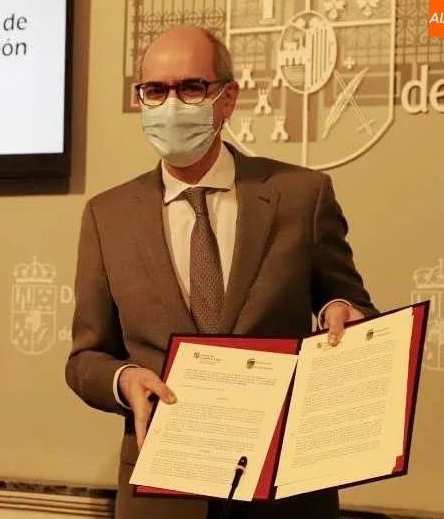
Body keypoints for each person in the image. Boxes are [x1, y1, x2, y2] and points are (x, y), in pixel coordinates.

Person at [64, 27, 377, 519]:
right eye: (154, 90)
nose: (171, 104)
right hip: (162, 487)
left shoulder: (301, 195)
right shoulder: (107, 215)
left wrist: (345, 312)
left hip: (283, 483)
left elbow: (349, 303)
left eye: (190, 88)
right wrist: (124, 379)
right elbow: (85, 358)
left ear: (227, 98)